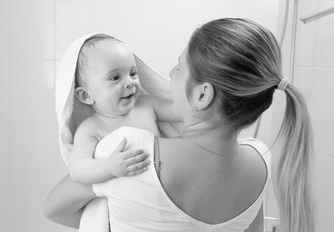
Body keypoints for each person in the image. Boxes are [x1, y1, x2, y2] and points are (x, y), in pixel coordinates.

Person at [44, 18, 314, 232]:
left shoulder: (130, 153)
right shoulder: (261, 161)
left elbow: (54, 209)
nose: (168, 76)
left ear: (202, 94)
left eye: (178, 68)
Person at [69, 34, 180, 184]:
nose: (130, 82)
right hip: (125, 198)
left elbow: (180, 112)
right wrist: (108, 167)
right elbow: (78, 169)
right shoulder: (91, 128)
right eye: (115, 77)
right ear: (86, 95)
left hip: (162, 190)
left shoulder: (146, 105)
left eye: (133, 73)